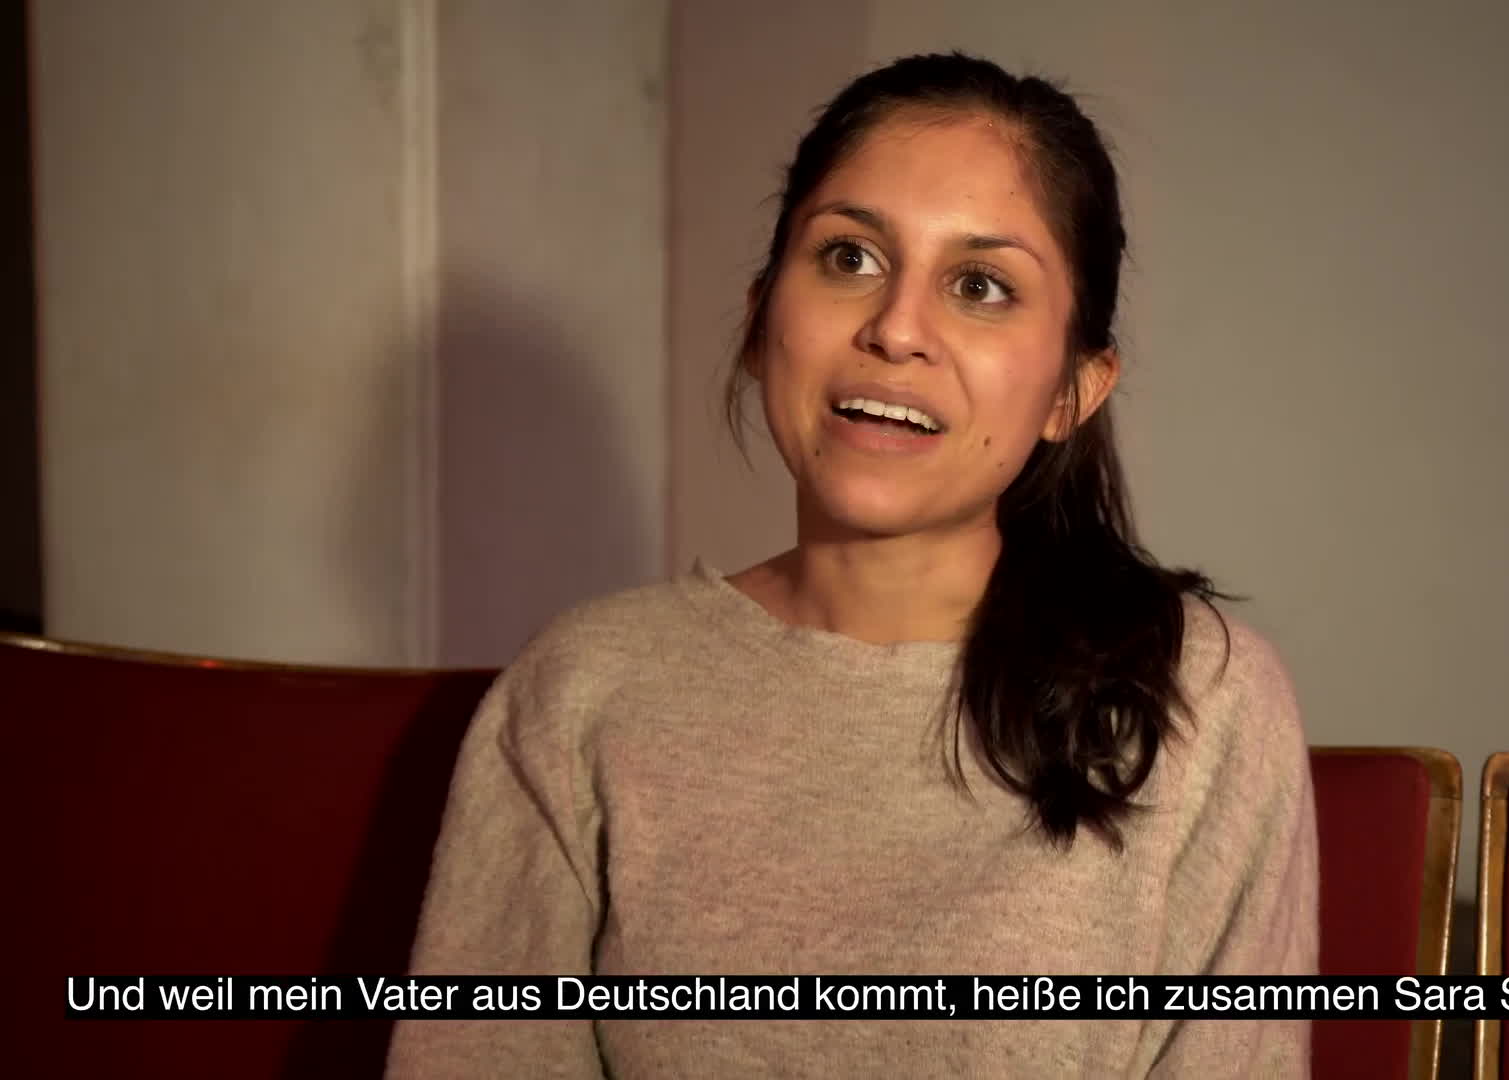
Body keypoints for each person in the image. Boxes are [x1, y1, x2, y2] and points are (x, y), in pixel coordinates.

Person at [387, 52, 1316, 1078]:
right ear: (759, 320)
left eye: (980, 286)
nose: (896, 330)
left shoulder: (1198, 699)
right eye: (849, 258)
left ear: (1074, 389)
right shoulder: (583, 690)